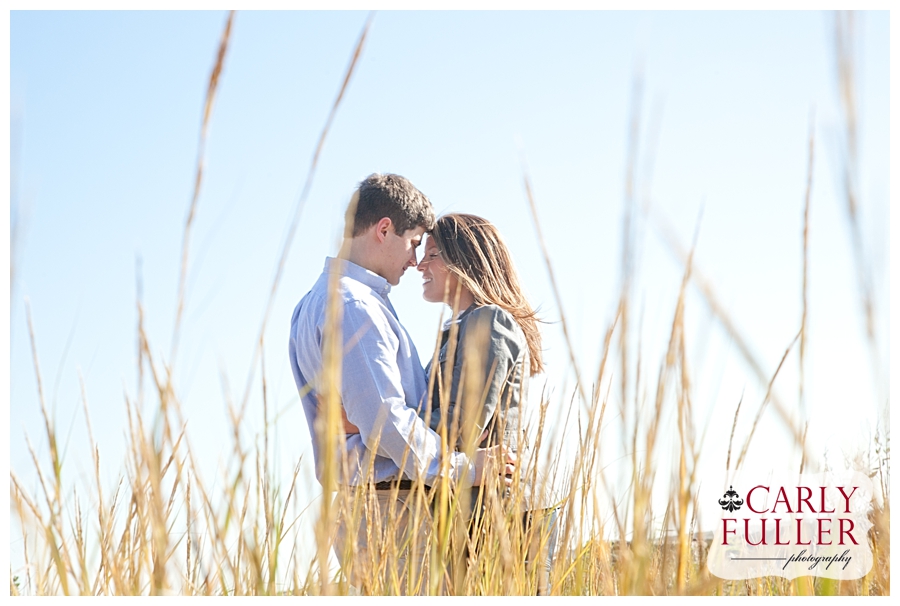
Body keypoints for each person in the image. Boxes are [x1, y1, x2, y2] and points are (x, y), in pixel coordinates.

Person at [288, 174, 514, 594]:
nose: (415, 262)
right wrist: (463, 468)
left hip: (369, 504)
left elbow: (362, 417)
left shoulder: (313, 304)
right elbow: (383, 421)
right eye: (414, 244)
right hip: (390, 508)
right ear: (384, 229)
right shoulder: (354, 306)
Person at [416, 212, 561, 595]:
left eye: (431, 255)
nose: (419, 265)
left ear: (462, 261)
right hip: (473, 507)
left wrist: (381, 426)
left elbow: (462, 426)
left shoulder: (488, 321)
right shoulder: (457, 330)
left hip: (500, 513)